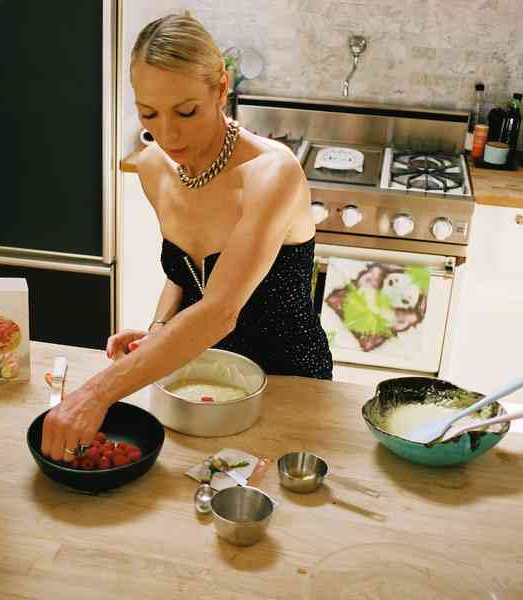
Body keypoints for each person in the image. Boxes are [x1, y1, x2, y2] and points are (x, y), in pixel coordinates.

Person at [40, 13, 331, 463]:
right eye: (148, 113)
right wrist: (159, 333)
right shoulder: (154, 166)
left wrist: (95, 394)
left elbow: (219, 309)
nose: (168, 133)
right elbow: (184, 272)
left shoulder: (272, 172)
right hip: (201, 378)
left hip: (290, 382)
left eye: (186, 111)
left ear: (221, 88)